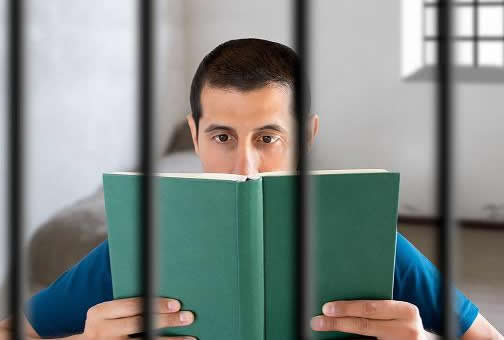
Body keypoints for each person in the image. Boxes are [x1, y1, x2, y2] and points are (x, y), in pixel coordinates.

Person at [1, 38, 502, 340]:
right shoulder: (138, 250)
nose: (246, 164)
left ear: (306, 136)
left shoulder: (374, 247)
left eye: (268, 137)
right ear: (194, 135)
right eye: (222, 136)